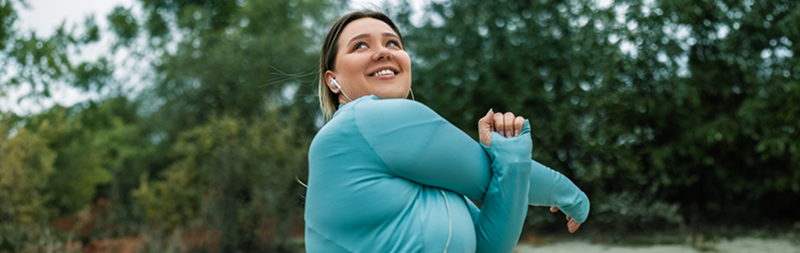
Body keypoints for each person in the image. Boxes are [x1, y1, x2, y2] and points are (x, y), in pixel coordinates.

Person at [304, 11, 590, 253]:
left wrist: (512, 155)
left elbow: (488, 246)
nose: (383, 52)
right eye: (360, 46)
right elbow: (488, 175)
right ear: (332, 80)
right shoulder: (363, 118)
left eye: (392, 43)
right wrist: (574, 197)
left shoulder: (426, 173)